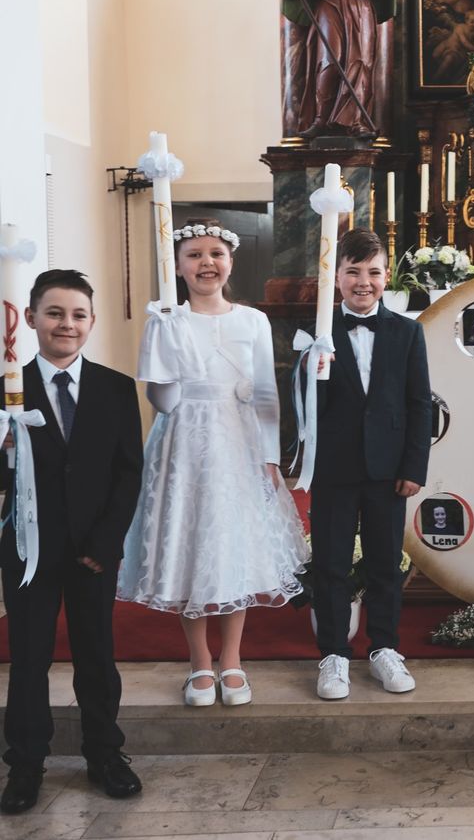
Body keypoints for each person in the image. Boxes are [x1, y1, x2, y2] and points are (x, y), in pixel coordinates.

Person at [118, 221, 309, 709]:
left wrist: (270, 456)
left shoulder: (253, 320)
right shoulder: (166, 320)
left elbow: (265, 393)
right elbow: (163, 401)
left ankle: (233, 658)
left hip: (240, 444)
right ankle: (200, 659)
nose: (207, 262)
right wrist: (162, 341)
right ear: (178, 267)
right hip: (184, 444)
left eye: (216, 253)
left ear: (230, 261)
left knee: (231, 547)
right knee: (192, 544)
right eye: (195, 255)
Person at [0, 270, 144, 814]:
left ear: (91, 321)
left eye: (78, 314)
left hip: (93, 549)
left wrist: (106, 541)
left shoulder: (114, 388)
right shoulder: (8, 389)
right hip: (28, 549)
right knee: (29, 657)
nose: (67, 324)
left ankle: (105, 753)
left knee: (96, 653)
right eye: (55, 313)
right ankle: (25, 764)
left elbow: (129, 472)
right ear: (31, 317)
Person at [309, 228, 432, 700]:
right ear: (336, 277)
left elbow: (419, 404)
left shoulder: (407, 332)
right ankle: (333, 655)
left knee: (384, 563)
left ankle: (385, 649)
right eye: (353, 271)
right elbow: (305, 404)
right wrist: (313, 369)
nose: (364, 281)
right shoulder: (318, 332)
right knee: (331, 564)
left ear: (386, 277)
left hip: (389, 470)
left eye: (374, 272)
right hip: (333, 467)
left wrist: (413, 468)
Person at [281, 0, 399, 138]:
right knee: (328, 61)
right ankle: (321, 119)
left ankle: (356, 122)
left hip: (361, 5)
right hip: (329, 2)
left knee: (360, 62)